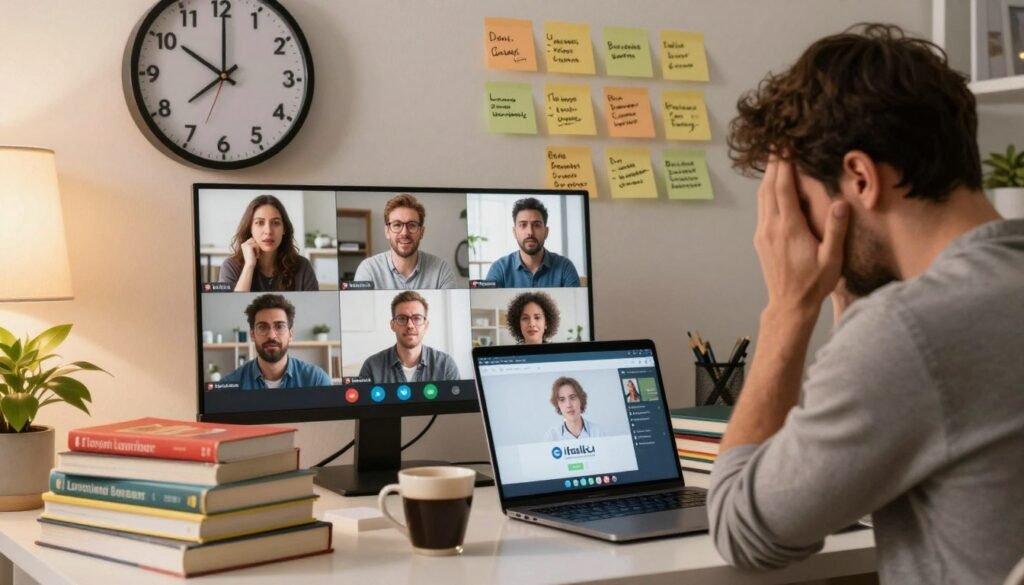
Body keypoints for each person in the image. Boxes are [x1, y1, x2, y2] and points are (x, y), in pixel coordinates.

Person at [708, 24, 1024, 584]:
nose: (794, 233)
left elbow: (742, 531)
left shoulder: (910, 331)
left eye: (801, 204)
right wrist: (848, 290)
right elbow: (846, 473)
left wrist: (787, 308)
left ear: (859, 176)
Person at [222, 294, 331, 389]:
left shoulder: (316, 381)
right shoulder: (229, 385)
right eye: (262, 327)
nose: (271, 336)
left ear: (290, 334)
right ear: (252, 334)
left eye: (279, 326)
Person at [354, 193, 456, 289]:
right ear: (387, 231)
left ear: (421, 232)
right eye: (397, 225)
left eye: (412, 225)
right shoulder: (368, 270)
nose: (404, 233)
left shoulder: (441, 271)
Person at [220, 195, 319, 292]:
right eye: (260, 222)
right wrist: (249, 266)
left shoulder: (303, 266)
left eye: (276, 223)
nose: (268, 231)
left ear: (284, 229)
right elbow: (232, 307)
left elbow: (315, 307)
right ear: (250, 228)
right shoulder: (231, 266)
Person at [359, 290, 460, 383]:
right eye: (402, 318)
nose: (410, 325)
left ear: (426, 325)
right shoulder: (371, 366)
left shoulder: (446, 364)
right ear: (392, 325)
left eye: (416, 318)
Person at [486, 197, 580, 287]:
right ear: (514, 232)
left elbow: (577, 303)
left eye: (537, 225)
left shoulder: (565, 267)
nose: (530, 232)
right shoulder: (499, 269)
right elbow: (488, 303)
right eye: (523, 225)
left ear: (546, 232)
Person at [543, 377, 604, 441]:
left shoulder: (597, 432)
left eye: (572, 397)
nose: (569, 405)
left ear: (581, 400)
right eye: (562, 400)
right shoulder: (552, 436)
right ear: (558, 405)